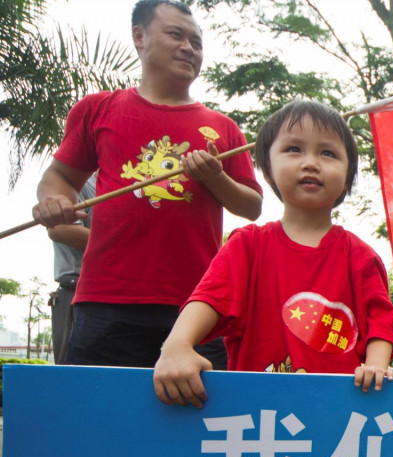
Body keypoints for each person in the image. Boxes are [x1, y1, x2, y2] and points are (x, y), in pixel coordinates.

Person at [32, 0, 263, 369]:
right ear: (139, 36)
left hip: (198, 304)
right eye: (176, 35)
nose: (189, 48)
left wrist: (215, 177)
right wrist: (54, 201)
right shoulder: (98, 110)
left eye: (197, 42)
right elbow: (59, 177)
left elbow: (251, 206)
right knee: (98, 415)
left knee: (201, 420)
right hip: (107, 299)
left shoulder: (224, 128)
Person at [153, 99, 393, 407]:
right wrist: (177, 345)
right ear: (267, 167)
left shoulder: (360, 256)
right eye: (294, 149)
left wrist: (376, 366)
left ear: (349, 175)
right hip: (257, 415)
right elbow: (209, 300)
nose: (311, 162)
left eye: (328, 153)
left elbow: (380, 323)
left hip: (340, 413)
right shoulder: (247, 245)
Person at [47, 175, 95, 364]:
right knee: (72, 367)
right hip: (76, 288)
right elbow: (60, 229)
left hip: (117, 290)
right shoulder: (78, 183)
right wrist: (125, 245)